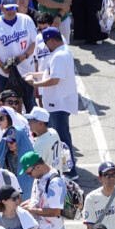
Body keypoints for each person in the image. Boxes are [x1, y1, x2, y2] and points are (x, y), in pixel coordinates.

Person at [24, 27, 77, 173]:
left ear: (52, 40)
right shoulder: (61, 51)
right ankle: (68, 169)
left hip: (58, 104)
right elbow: (49, 73)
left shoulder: (59, 55)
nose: (46, 46)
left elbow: (54, 80)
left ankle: (71, 172)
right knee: (61, 138)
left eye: (47, 42)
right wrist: (35, 74)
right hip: (58, 102)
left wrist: (35, 83)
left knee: (62, 139)